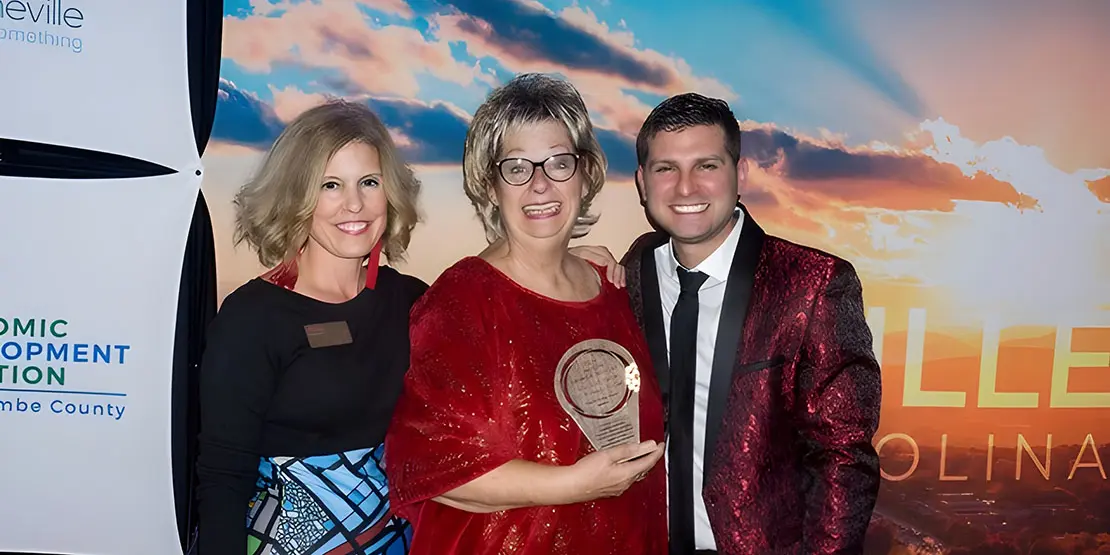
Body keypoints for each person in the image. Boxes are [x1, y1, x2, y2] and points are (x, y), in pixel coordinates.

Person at [384, 73, 668, 555]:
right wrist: (572, 486)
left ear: (585, 174)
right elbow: (429, 467)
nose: (540, 184)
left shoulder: (613, 290)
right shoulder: (462, 301)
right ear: (491, 186)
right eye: (516, 167)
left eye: (559, 163)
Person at [621, 93, 882, 554]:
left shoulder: (813, 284)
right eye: (666, 169)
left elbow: (843, 457)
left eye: (707, 165)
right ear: (642, 183)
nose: (686, 188)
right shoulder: (636, 271)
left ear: (739, 174)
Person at [194, 100, 426, 555]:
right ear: (297, 195)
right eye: (330, 185)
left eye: (369, 182)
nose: (354, 203)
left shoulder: (412, 300)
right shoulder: (252, 319)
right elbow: (222, 478)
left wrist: (573, 262)